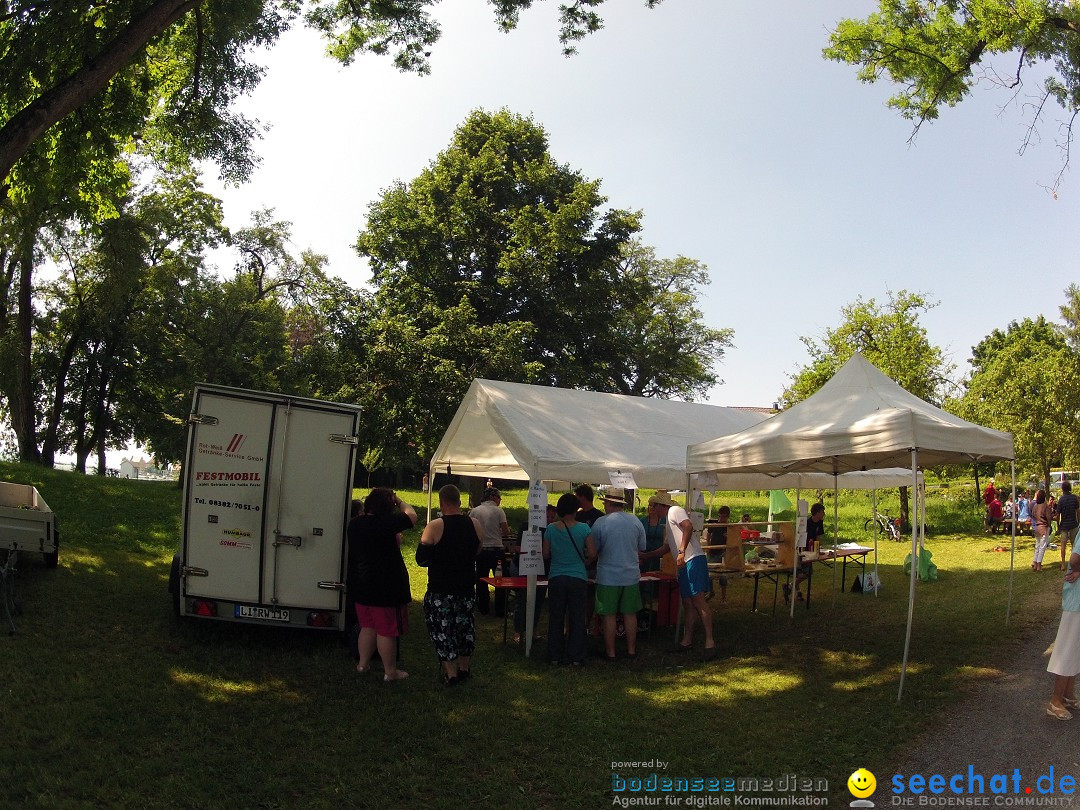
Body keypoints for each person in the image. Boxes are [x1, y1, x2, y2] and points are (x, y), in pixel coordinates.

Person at [416, 485, 483, 685]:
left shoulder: (435, 526)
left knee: (443, 630)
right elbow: (478, 550)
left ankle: (451, 673)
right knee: (465, 628)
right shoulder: (475, 524)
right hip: (465, 586)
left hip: (441, 588)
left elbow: (421, 558)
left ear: (441, 502)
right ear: (459, 501)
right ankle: (464, 668)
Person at [348, 487, 417, 682]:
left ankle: (362, 664)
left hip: (361, 585)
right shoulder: (386, 523)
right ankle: (390, 672)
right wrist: (400, 501)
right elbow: (411, 516)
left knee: (367, 626)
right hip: (385, 588)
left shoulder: (355, 524)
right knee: (386, 631)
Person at [653, 490, 717, 660]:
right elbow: (667, 547)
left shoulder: (675, 510)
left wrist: (681, 551)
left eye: (654, 506)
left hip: (692, 559)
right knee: (688, 603)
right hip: (684, 562)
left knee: (698, 601)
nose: (652, 509)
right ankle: (686, 641)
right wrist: (647, 555)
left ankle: (710, 642)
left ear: (661, 505)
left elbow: (688, 526)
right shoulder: (667, 522)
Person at [591, 488, 646, 661]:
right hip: (630, 574)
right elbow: (642, 547)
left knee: (609, 615)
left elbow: (594, 549)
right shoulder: (635, 520)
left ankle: (611, 652)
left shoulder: (601, 522)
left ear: (608, 503)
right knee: (630, 613)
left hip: (608, 575)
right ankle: (631, 650)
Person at [543, 492, 596, 666]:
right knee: (577, 617)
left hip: (556, 576)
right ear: (576, 509)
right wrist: (585, 560)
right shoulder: (584, 528)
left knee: (556, 616)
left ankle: (554, 655)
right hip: (578, 577)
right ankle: (576, 655)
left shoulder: (551, 529)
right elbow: (593, 553)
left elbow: (545, 554)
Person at [510, 504, 556, 645]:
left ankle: (534, 629)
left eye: (552, 517)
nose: (549, 519)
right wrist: (532, 550)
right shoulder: (527, 526)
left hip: (544, 569)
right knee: (523, 600)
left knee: (539, 600)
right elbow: (517, 547)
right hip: (526, 567)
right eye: (547, 516)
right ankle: (518, 631)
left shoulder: (552, 529)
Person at [1046, 537, 1080, 719]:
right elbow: (1075, 559)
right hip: (1077, 601)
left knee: (1075, 649)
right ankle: (1055, 700)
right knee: (1068, 648)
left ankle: (1067, 694)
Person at [471, 486, 511, 616]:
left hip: (481, 550)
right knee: (500, 580)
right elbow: (505, 531)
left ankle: (483, 607)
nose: (500, 500)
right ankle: (500, 609)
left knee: (482, 579)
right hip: (497, 550)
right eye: (499, 497)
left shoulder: (474, 511)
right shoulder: (499, 511)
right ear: (493, 497)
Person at [785, 502, 823, 604]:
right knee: (807, 572)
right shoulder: (807, 523)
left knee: (802, 572)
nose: (824, 513)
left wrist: (818, 549)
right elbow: (800, 537)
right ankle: (790, 586)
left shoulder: (820, 522)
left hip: (812, 549)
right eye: (823, 511)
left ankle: (798, 593)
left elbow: (819, 537)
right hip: (802, 550)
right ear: (818, 512)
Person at [705, 505, 730, 604]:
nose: (720, 519)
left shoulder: (729, 527)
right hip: (713, 551)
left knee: (723, 575)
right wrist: (708, 547)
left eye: (723, 517)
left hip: (723, 552)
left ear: (727, 517)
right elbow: (708, 534)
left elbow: (732, 539)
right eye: (719, 516)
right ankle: (710, 591)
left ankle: (723, 598)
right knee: (708, 572)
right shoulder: (714, 524)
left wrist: (727, 545)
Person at [1056, 481, 1080, 572]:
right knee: (1074, 545)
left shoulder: (1061, 499)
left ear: (1062, 489)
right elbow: (1078, 511)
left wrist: (1058, 525)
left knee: (1063, 546)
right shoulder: (1074, 498)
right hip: (1073, 524)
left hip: (1064, 526)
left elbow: (1058, 514)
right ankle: (1075, 562)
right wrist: (1078, 522)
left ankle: (1063, 564)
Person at [1032, 489, 1053, 572]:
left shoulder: (1035, 506)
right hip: (1044, 527)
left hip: (1037, 527)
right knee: (1042, 547)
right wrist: (1049, 525)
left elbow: (1033, 515)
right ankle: (1039, 565)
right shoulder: (1045, 506)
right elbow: (1048, 517)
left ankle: (1035, 563)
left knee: (1037, 546)